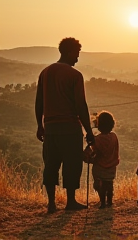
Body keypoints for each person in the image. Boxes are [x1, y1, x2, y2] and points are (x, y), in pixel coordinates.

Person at [35, 37, 95, 213]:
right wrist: (89, 131)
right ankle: (70, 202)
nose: (77, 58)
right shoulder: (75, 75)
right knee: (72, 164)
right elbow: (80, 105)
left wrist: (40, 125)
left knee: (51, 165)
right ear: (69, 52)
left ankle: (52, 204)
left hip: (51, 128)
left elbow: (39, 102)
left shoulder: (45, 72)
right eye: (77, 53)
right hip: (70, 128)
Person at [83, 111, 120, 209]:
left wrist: (89, 144)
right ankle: (110, 201)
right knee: (109, 184)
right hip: (112, 166)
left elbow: (96, 151)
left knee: (100, 185)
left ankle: (103, 202)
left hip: (100, 166)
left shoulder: (98, 139)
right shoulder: (114, 137)